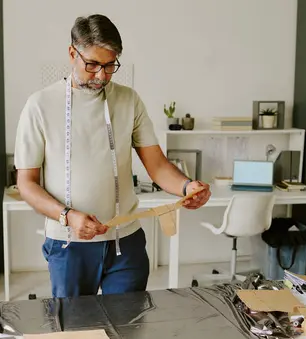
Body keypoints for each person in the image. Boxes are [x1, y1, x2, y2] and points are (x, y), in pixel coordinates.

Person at [14, 14, 211, 298]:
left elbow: (156, 165)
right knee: (76, 333)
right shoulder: (40, 105)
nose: (101, 76)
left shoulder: (129, 100)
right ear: (72, 53)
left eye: (110, 66)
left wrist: (186, 187)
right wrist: (68, 217)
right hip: (70, 243)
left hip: (125, 241)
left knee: (127, 330)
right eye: (92, 64)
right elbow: (27, 184)